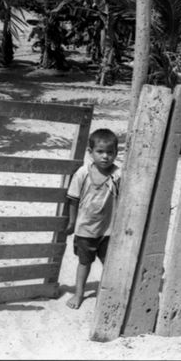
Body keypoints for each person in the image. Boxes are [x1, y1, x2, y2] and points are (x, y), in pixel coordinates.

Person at [64, 128, 121, 309]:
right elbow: (73, 199)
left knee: (109, 263)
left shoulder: (118, 175)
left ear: (116, 153)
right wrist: (72, 222)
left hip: (108, 229)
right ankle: (79, 293)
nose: (105, 157)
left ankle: (108, 294)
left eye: (110, 152)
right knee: (84, 262)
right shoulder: (83, 173)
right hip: (85, 229)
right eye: (100, 152)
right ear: (90, 153)